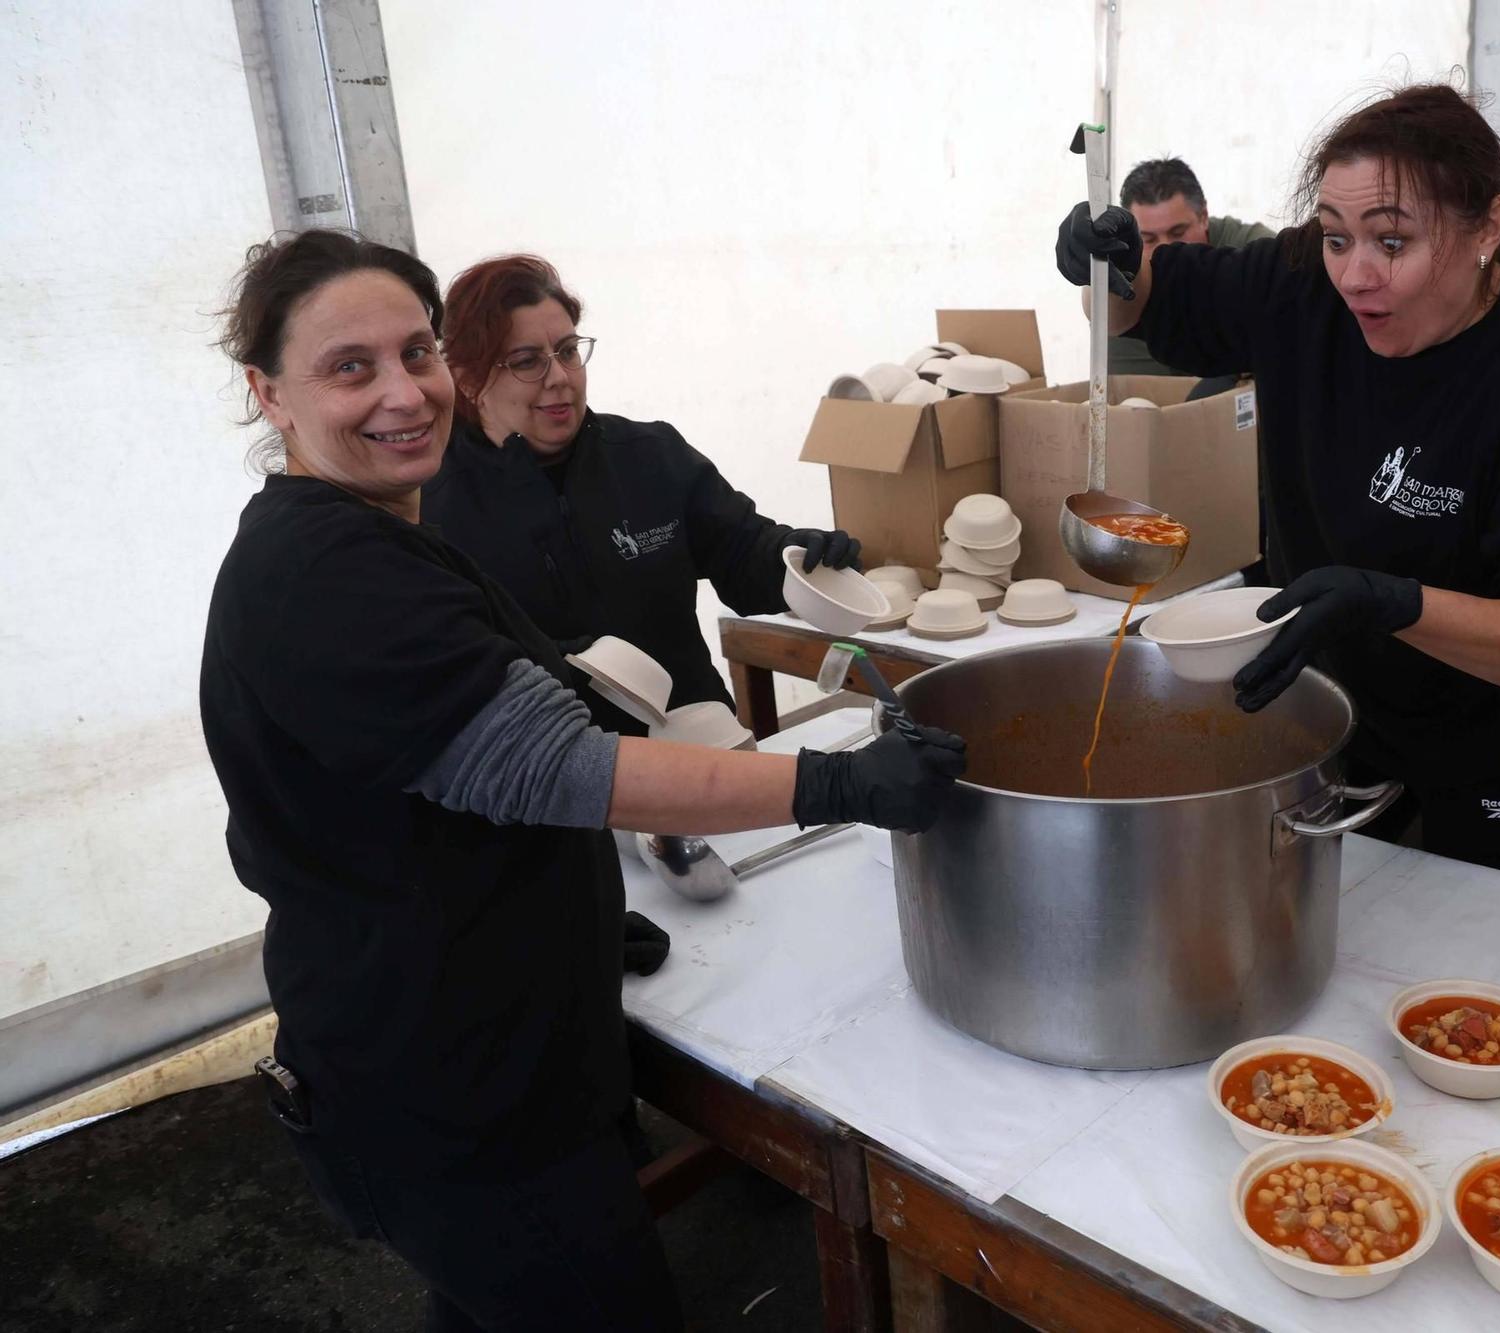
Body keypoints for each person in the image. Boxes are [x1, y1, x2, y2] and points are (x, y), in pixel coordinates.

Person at [200, 230, 966, 1329]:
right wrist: (837, 784)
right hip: (450, 1091)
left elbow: (434, 795)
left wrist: (568, 923)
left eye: (410, 352)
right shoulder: (327, 572)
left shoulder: (387, 526)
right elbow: (551, 763)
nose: (401, 392)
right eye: (349, 366)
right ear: (268, 392)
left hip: (496, 1034)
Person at [1054, 84, 1500, 882]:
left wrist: (1396, 603)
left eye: (1393, 242)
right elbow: (1157, 308)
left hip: (1496, 738)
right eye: (1338, 238)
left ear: (1489, 227)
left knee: (1468, 958)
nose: (1356, 277)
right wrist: (1113, 269)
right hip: (1339, 709)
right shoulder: (1304, 284)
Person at [423, 254, 858, 723]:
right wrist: (560, 661)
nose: (560, 378)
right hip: (557, 768)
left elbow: (740, 549)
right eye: (527, 362)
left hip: (698, 736)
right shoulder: (435, 504)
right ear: (467, 380)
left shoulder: (649, 455)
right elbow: (450, 668)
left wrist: (791, 555)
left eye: (568, 351)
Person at [1109, 157, 1275, 379]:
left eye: (1178, 233)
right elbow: (1140, 397)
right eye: (1148, 239)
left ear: (1204, 217)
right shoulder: (1121, 290)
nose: (1165, 250)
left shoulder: (1255, 256)